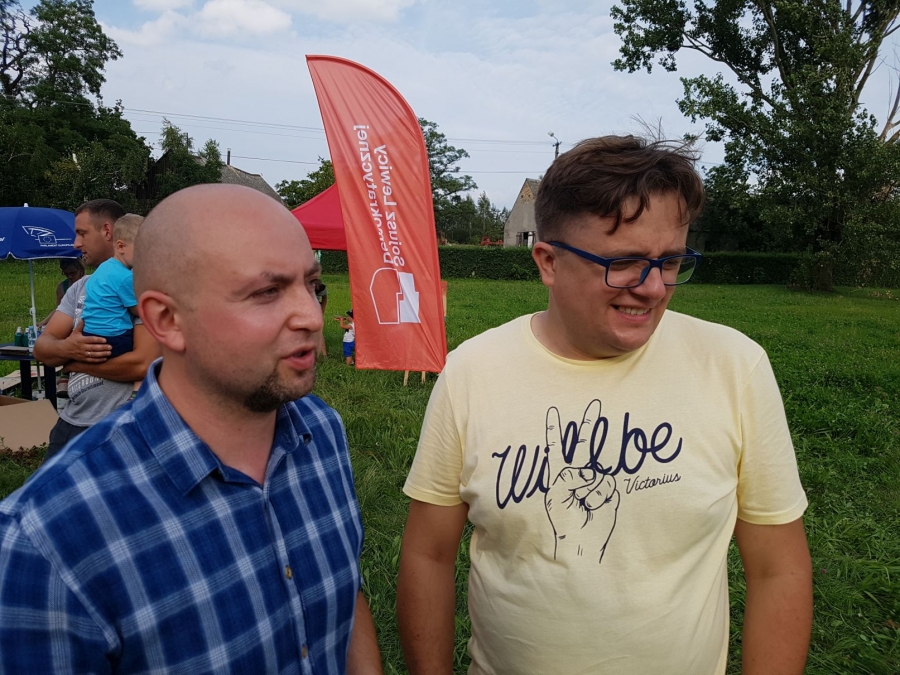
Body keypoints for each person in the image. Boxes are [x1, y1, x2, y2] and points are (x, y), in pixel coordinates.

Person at [397, 136, 812, 675]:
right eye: (624, 263)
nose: (653, 288)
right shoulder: (472, 373)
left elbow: (779, 568)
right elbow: (427, 555)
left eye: (670, 261)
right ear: (548, 262)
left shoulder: (735, 367)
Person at [0, 184, 383, 674]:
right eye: (266, 292)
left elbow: (345, 598)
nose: (311, 316)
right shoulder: (50, 539)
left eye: (311, 284)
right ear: (167, 320)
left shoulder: (321, 432)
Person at [34, 200, 158, 459]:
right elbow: (42, 349)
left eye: (82, 233)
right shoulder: (81, 287)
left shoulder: (141, 289)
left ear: (108, 231)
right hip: (72, 422)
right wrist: (68, 347)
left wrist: (75, 363)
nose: (75, 244)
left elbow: (142, 364)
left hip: (121, 426)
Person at [80, 214, 143, 358]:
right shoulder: (125, 277)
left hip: (89, 332)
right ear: (121, 246)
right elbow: (138, 310)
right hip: (113, 337)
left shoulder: (103, 268)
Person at [37, 258, 85, 328]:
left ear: (81, 269)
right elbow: (59, 309)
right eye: (66, 274)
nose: (70, 276)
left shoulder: (89, 283)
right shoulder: (62, 287)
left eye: (73, 273)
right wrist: (44, 322)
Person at [315, 279, 328, 358]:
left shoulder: (321, 287)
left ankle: (324, 354)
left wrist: (322, 311)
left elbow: (324, 298)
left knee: (319, 332)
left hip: (315, 309)